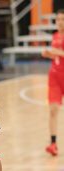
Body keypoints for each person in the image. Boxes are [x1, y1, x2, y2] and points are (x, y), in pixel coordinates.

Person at [41, 9, 64, 156]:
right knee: (53, 110)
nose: (60, 22)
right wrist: (48, 54)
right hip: (54, 76)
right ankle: (53, 143)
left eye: (63, 19)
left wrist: (55, 52)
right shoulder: (55, 36)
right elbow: (57, 57)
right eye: (58, 19)